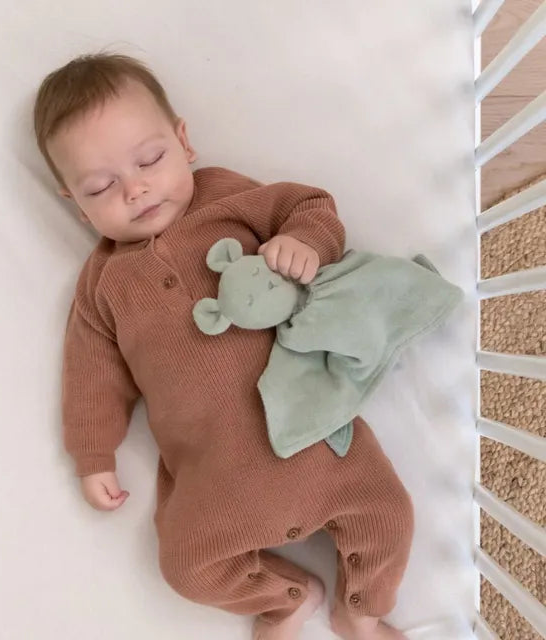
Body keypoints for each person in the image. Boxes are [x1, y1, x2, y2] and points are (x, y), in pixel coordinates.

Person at [33, 53, 413, 640]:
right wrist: (93, 455)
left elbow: (309, 206)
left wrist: (303, 242)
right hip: (212, 484)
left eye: (149, 160)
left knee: (388, 513)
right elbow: (90, 376)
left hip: (317, 439)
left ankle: (360, 609)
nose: (135, 189)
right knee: (185, 569)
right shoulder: (102, 286)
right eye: (101, 187)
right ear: (75, 205)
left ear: (184, 141)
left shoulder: (226, 200)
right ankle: (286, 599)